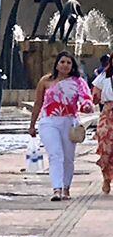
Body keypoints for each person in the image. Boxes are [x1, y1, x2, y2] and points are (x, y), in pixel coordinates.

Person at [30, 50, 93, 201]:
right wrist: (32, 125)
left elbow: (86, 98)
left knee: (68, 158)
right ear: (57, 64)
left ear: (72, 66)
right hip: (49, 122)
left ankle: (66, 188)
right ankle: (56, 189)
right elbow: (38, 103)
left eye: (69, 63)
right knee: (55, 154)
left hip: (70, 122)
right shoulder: (45, 81)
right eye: (62, 62)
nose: (65, 65)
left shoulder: (78, 82)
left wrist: (86, 106)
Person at [95, 55, 113, 194]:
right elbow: (95, 95)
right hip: (108, 113)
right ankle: (106, 178)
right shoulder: (104, 76)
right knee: (105, 147)